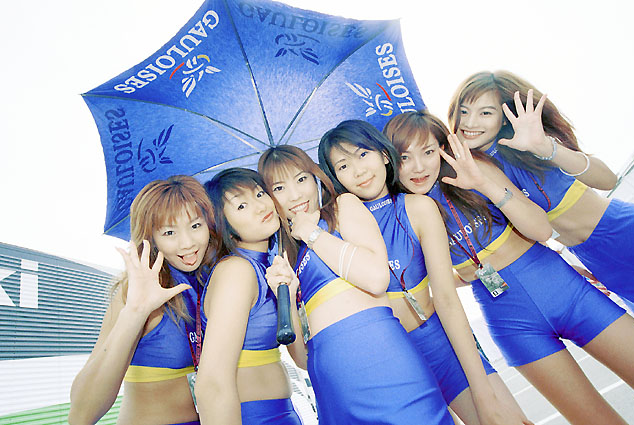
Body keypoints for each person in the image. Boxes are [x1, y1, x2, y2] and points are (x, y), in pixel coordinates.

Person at [383, 110, 634, 424]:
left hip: (563, 289)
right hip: (510, 321)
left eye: (428, 152)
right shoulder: (403, 213)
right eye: (404, 157)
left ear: (443, 148)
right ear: (390, 161)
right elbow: (434, 281)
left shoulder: (475, 167)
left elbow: (541, 230)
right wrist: (466, 273)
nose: (418, 167)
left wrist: (483, 183)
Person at [318, 120, 533, 425]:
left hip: (440, 345)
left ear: (384, 155)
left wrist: (482, 392)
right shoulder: (333, 229)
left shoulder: (419, 207)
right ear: (334, 177)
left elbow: (446, 298)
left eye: (363, 154)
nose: (358, 171)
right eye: (343, 166)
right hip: (388, 362)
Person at [258, 145, 454, 425]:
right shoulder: (286, 256)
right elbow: (301, 357)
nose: (295, 195)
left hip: (381, 359)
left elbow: (376, 278)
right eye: (279, 188)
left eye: (301, 179)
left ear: (316, 178)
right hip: (332, 385)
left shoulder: (342, 207)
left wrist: (311, 232)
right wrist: (286, 296)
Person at [448, 70, 634, 325]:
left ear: (504, 117)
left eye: (485, 113)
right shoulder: (469, 178)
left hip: (629, 230)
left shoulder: (529, 143)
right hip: (598, 261)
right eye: (464, 111)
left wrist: (545, 147)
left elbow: (608, 180)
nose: (469, 122)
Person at [69, 175, 217, 425]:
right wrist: (136, 311)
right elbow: (81, 415)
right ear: (151, 238)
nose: (187, 243)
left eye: (195, 226)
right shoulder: (135, 292)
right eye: (169, 232)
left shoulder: (212, 282)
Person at [197, 168, 302, 424]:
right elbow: (211, 382)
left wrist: (288, 295)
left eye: (260, 194)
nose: (260, 206)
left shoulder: (268, 268)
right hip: (252, 416)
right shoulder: (237, 270)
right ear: (225, 225)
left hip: (282, 411)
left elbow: (303, 359)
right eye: (241, 206)